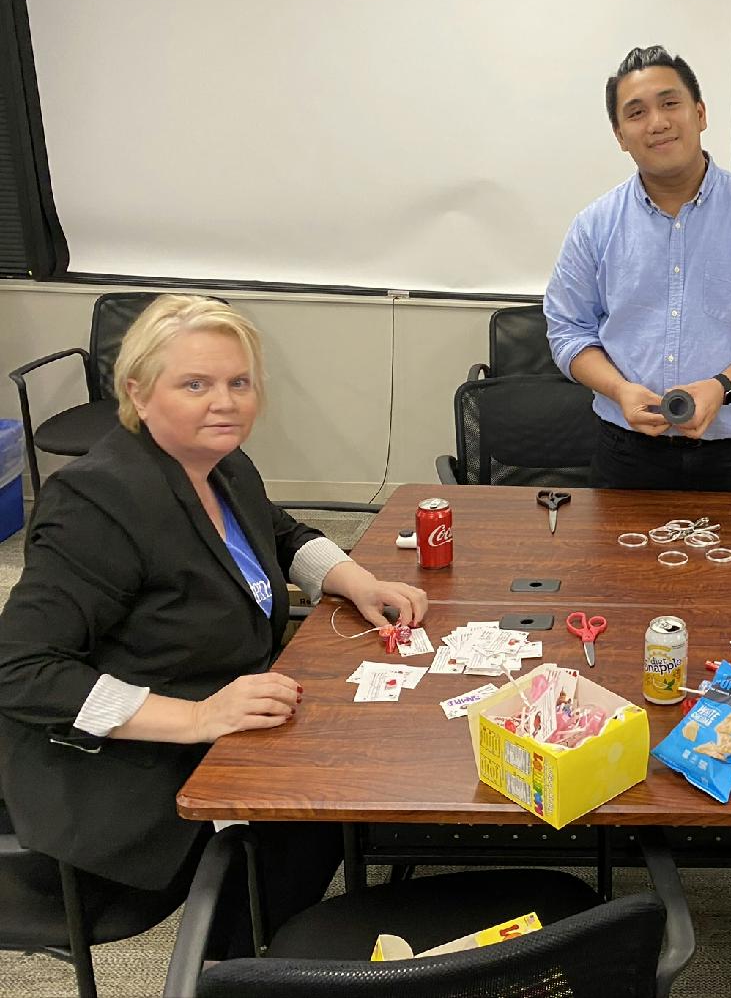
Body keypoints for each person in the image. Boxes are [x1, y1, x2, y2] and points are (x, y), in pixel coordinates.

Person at [0, 295, 428, 950]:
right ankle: (226, 969)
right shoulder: (96, 501)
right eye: (195, 383)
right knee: (314, 804)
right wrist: (197, 719)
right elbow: (21, 670)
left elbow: (275, 531)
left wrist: (356, 580)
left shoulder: (220, 461)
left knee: (338, 775)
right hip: (120, 777)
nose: (224, 401)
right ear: (138, 394)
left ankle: (266, 948)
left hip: (225, 711)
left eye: (239, 382)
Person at [544, 44, 731, 492]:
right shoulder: (595, 225)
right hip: (625, 451)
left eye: (670, 103)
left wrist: (721, 387)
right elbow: (567, 331)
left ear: (701, 113)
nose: (658, 123)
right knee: (619, 566)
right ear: (619, 134)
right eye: (636, 113)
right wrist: (620, 390)